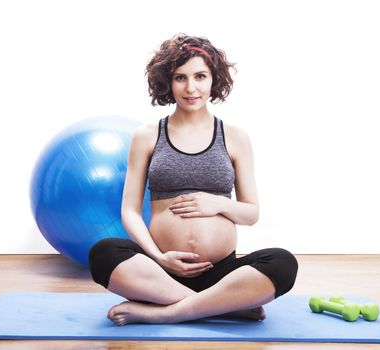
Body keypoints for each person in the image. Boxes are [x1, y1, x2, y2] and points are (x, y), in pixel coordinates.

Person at [89, 33, 298, 326]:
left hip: (222, 272)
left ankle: (168, 312)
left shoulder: (236, 138)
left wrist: (217, 203)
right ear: (167, 81)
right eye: (180, 77)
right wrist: (158, 257)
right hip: (161, 271)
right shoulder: (147, 136)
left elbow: (251, 214)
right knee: (103, 252)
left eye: (200, 76)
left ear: (214, 79)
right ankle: (222, 306)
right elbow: (130, 211)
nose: (191, 88)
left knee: (282, 262)